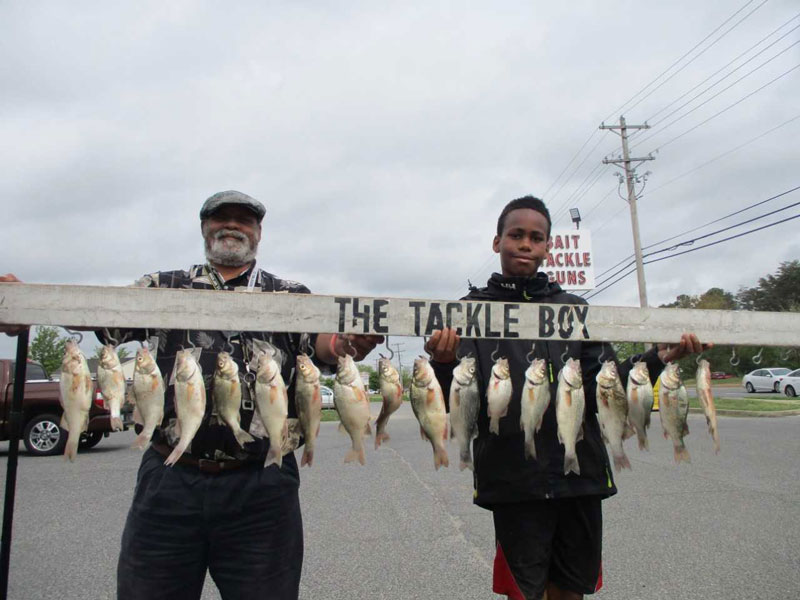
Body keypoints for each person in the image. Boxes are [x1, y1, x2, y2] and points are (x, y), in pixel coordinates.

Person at [2, 190, 382, 600]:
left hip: (262, 484)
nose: (232, 226)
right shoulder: (163, 286)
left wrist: (348, 342)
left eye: (244, 219)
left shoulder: (290, 294)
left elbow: (325, 344)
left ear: (258, 232)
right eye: (222, 218)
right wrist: (30, 304)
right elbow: (104, 317)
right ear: (204, 228)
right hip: (169, 480)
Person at [424, 195, 708, 600]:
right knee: (524, 592)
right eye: (516, 235)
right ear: (496, 242)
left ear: (548, 247)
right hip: (513, 479)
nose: (525, 244)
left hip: (580, 477)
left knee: (571, 590)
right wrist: (443, 362)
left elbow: (605, 386)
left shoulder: (575, 311)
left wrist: (659, 357)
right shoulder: (468, 312)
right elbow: (460, 392)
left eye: (536, 237)